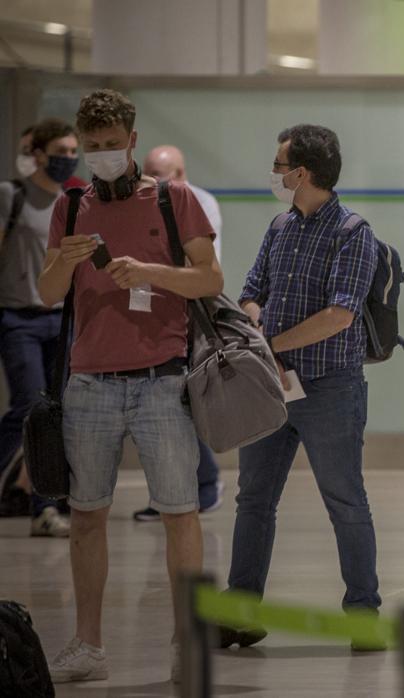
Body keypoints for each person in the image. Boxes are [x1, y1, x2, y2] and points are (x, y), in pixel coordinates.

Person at [38, 89, 222, 683]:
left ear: (133, 141)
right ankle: (88, 645)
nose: (102, 156)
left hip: (162, 380)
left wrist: (148, 274)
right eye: (92, 148)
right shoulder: (69, 208)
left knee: (180, 514)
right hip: (89, 381)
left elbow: (209, 281)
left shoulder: (174, 200)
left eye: (112, 146)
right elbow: (46, 294)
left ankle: (185, 642)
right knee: (87, 514)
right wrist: (65, 262)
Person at [220, 124, 382, 650]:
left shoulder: (354, 233)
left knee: (345, 499)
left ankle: (363, 614)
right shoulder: (280, 226)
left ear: (302, 173)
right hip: (272, 386)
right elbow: (250, 290)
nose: (275, 172)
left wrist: (275, 344)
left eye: (280, 164)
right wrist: (254, 318)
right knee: (254, 499)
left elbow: (340, 314)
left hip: (331, 387)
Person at [131, 144, 225, 522]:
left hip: (190, 313)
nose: (158, 183)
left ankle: (200, 485)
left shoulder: (198, 203)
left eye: (166, 176)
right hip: (149, 316)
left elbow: (193, 264)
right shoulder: (136, 203)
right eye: (152, 174)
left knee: (181, 402)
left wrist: (148, 268)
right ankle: (173, 492)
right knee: (164, 406)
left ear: (182, 176)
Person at [0, 117, 80, 537]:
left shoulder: (73, 203)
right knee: (28, 407)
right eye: (59, 152)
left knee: (55, 414)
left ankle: (44, 508)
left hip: (61, 320)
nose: (68, 159)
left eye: (72, 151)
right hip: (18, 318)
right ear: (38, 154)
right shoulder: (12, 196)